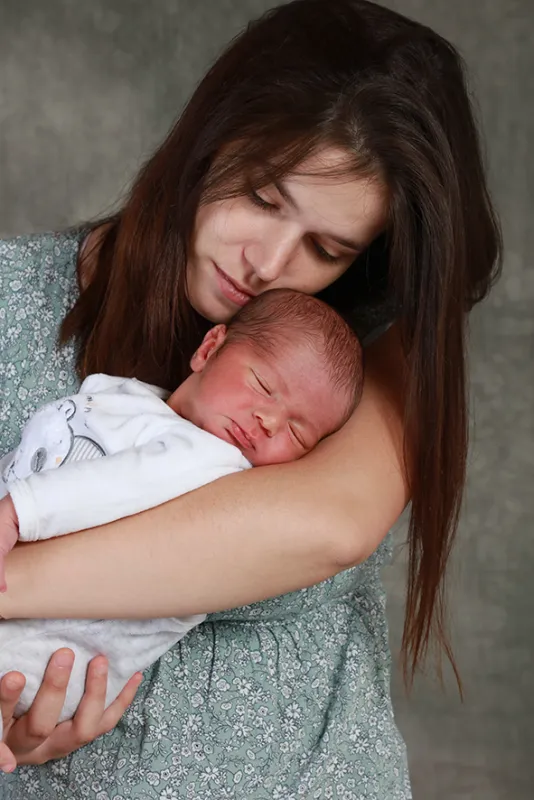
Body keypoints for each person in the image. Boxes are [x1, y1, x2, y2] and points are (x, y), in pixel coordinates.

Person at [0, 0, 501, 797]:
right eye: (264, 198)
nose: (267, 262)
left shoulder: (363, 360)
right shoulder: (11, 296)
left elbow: (322, 524)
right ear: (211, 136)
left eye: (327, 247)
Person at [0, 288, 362, 734]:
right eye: (263, 386)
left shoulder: (212, 464)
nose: (269, 421)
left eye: (298, 432)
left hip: (40, 644)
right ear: (209, 349)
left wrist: (18, 512)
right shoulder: (136, 403)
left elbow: (117, 485)